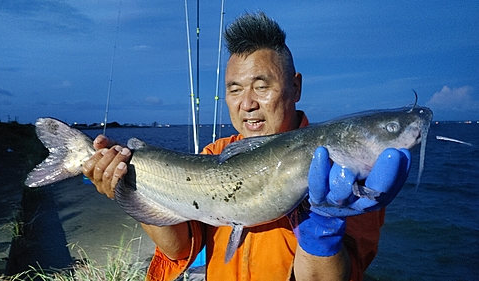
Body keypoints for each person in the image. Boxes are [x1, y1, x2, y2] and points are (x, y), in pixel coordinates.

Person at [82, 12, 410, 281]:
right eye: (235, 90)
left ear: (295, 87)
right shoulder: (213, 155)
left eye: (261, 86)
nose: (247, 104)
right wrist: (128, 185)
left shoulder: (345, 181)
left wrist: (322, 234)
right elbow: (178, 249)